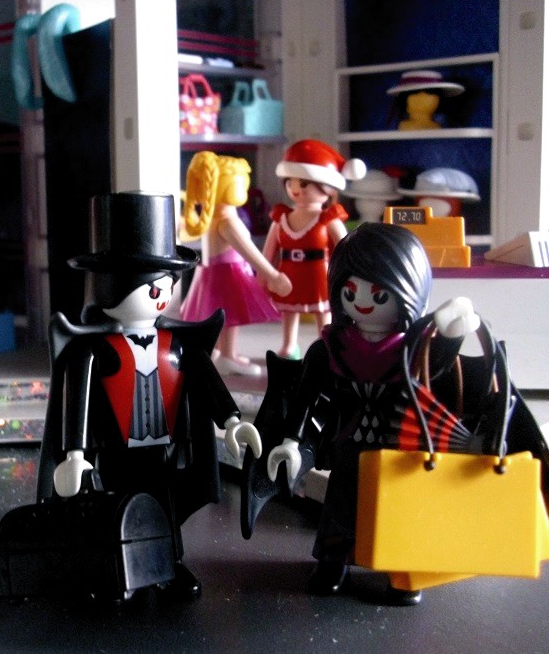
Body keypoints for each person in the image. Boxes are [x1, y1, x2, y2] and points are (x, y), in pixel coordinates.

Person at [37, 191, 261, 597]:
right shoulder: (93, 351)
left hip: (163, 450)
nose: (161, 294)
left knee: (163, 507)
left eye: (166, 284)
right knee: (117, 509)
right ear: (111, 287)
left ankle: (168, 566)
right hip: (116, 452)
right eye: (149, 286)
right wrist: (75, 454)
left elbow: (207, 380)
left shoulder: (177, 346)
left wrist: (231, 421)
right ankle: (119, 571)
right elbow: (78, 403)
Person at [265, 222, 479, 605]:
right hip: (347, 443)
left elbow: (440, 367)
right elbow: (305, 397)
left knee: (402, 507)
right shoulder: (330, 348)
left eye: (379, 294)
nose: (362, 303)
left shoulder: (415, 350)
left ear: (408, 291)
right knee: (342, 504)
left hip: (400, 446)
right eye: (350, 291)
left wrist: (454, 331)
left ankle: (403, 570)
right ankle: (333, 562)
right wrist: (292, 441)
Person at [179, 152, 291, 375]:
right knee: (231, 316)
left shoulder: (212, 219)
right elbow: (249, 252)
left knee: (224, 317)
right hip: (228, 273)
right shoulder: (228, 223)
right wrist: (272, 275)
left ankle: (222, 352)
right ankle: (228, 355)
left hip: (213, 273)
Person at [264, 139, 364, 358]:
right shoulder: (281, 217)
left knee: (323, 311)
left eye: (303, 183)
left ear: (326, 187)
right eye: (290, 182)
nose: (295, 189)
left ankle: (326, 344)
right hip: (289, 273)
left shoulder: (328, 219)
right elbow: (268, 252)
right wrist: (264, 275)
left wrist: (351, 274)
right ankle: (289, 345)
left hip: (319, 273)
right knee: (289, 311)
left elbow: (346, 248)